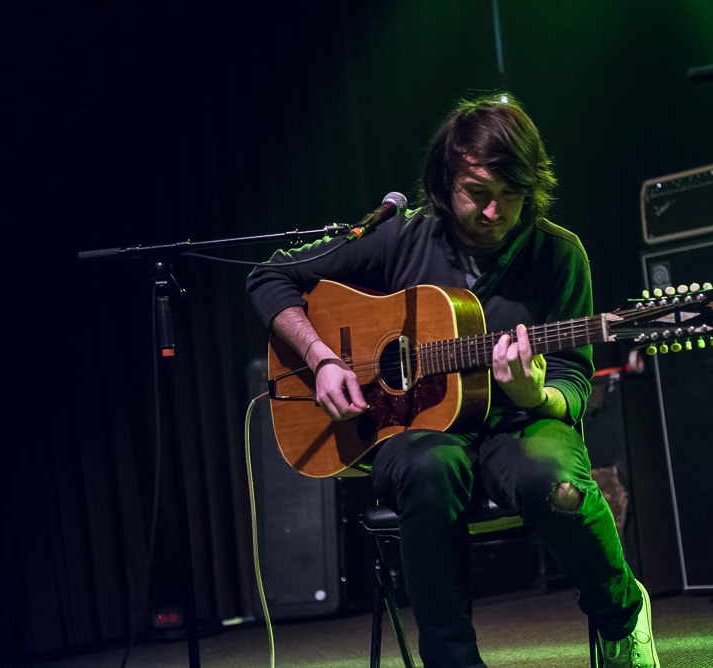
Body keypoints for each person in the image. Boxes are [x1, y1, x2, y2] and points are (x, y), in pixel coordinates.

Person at [247, 93, 659, 668]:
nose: (495, 214)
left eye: (510, 196)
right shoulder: (400, 237)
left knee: (557, 486)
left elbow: (575, 381)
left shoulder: (558, 256)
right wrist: (321, 357)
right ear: (445, 182)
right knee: (428, 469)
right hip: (419, 433)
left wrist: (534, 393)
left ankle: (621, 614)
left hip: (522, 422)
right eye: (478, 195)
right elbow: (271, 276)